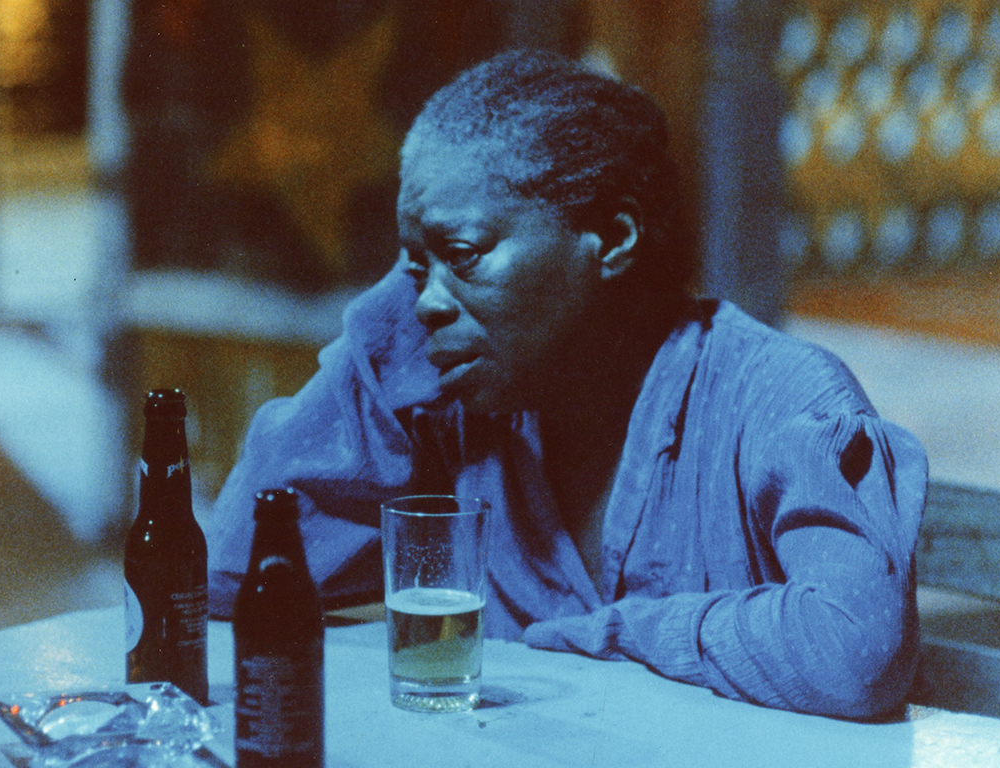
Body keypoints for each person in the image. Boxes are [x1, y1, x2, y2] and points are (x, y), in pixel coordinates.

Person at [204, 49, 926, 720]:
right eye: (414, 267)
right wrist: (395, 321)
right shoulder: (461, 402)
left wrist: (611, 634)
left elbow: (855, 650)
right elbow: (230, 573)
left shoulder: (776, 396)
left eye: (463, 253)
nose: (425, 301)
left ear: (612, 240)